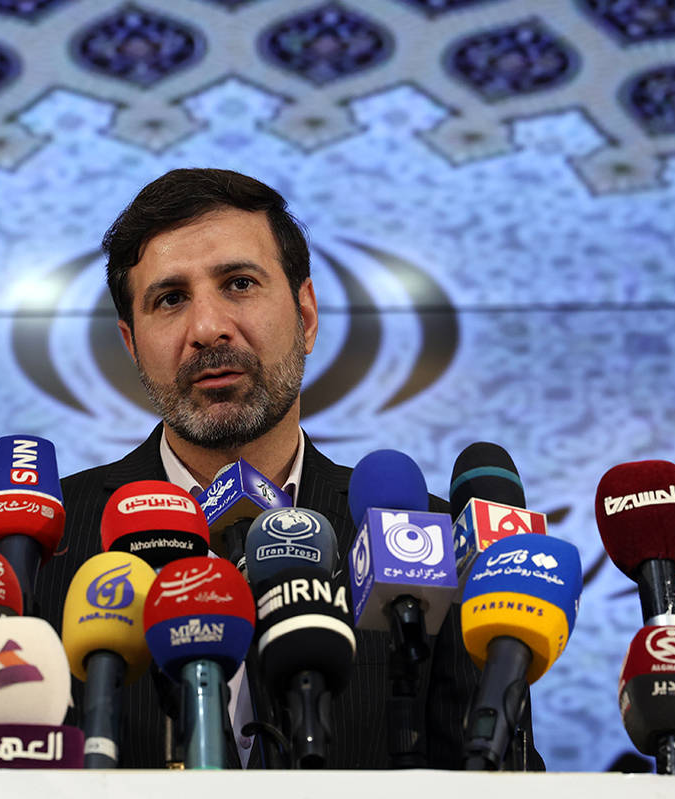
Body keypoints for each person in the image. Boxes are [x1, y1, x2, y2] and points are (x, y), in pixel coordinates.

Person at [34, 168, 542, 769]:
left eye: (239, 284)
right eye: (170, 299)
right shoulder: (43, 546)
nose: (207, 329)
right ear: (131, 344)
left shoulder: (428, 539)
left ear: (306, 316)